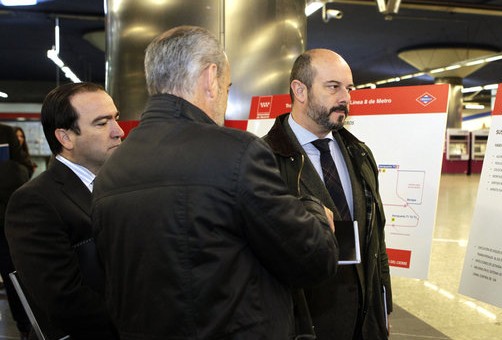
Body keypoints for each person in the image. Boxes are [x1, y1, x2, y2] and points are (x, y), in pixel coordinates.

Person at [91, 25, 339, 340]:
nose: (225, 96)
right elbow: (312, 260)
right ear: (211, 78)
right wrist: (312, 209)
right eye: (228, 85)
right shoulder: (237, 153)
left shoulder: (111, 169)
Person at [263, 49, 392, 339]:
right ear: (300, 90)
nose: (345, 97)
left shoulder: (359, 154)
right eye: (333, 87)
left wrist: (383, 308)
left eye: (349, 88)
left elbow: (377, 242)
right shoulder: (263, 160)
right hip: (304, 324)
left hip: (364, 323)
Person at [4, 82, 123, 340]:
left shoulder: (122, 186)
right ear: (65, 137)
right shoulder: (34, 202)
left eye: (116, 118)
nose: (119, 131)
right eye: (102, 123)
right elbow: (65, 301)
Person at [0, 123, 31, 340]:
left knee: (13, 278)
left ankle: (26, 328)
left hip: (3, 224)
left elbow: (23, 169)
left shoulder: (5, 133)